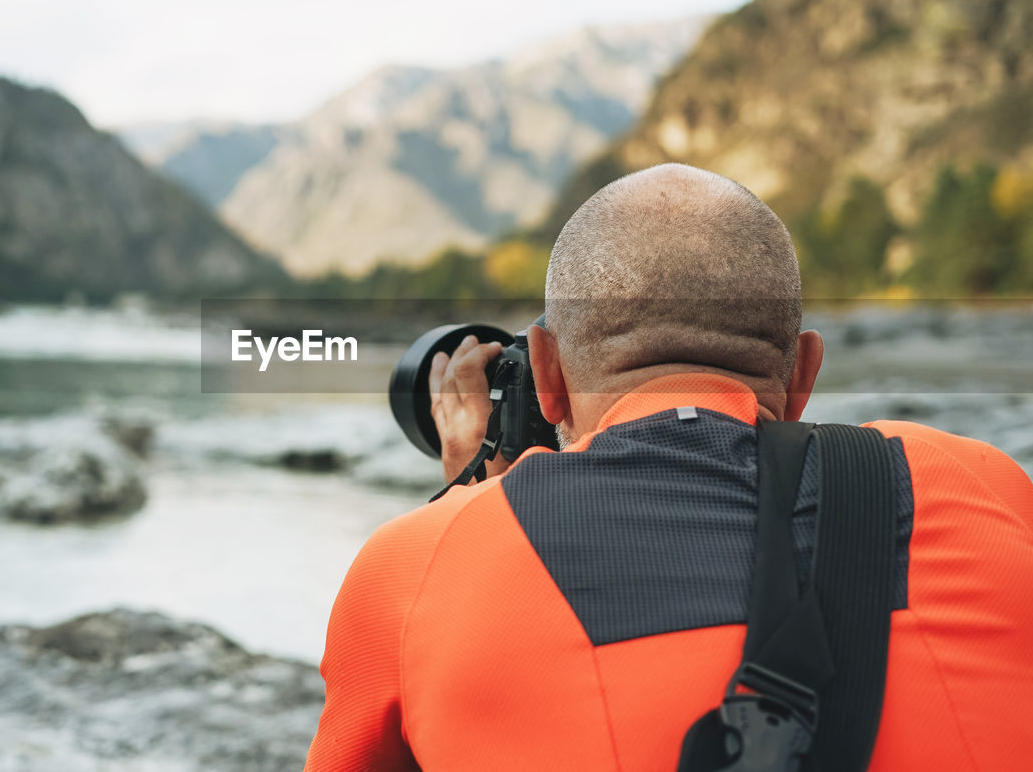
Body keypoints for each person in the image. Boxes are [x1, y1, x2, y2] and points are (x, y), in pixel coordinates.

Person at [303, 164, 1033, 771]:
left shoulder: (414, 565)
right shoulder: (983, 486)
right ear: (804, 375)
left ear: (549, 376)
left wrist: (471, 501)